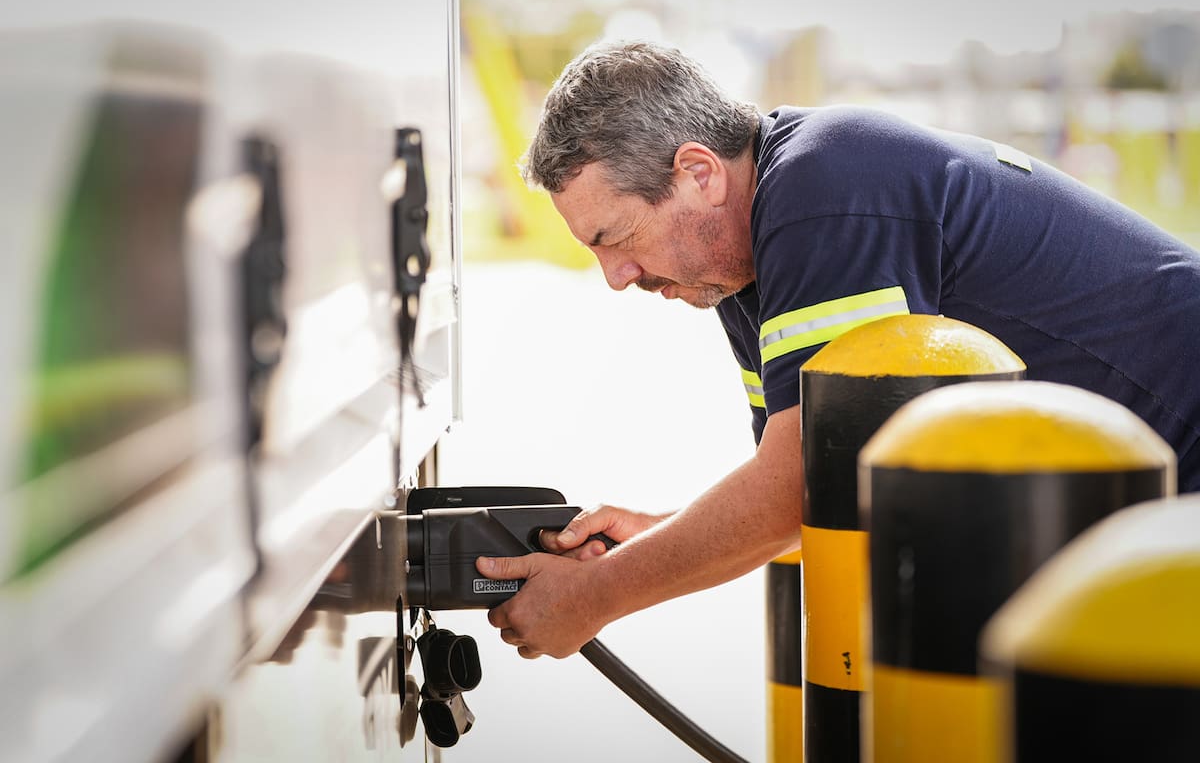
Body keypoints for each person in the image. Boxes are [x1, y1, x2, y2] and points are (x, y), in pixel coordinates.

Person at [474, 39, 1200, 659]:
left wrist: (598, 594)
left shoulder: (825, 187)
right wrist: (655, 537)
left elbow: (800, 488)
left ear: (699, 173)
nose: (616, 277)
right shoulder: (742, 270)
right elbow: (822, 495)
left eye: (618, 237)